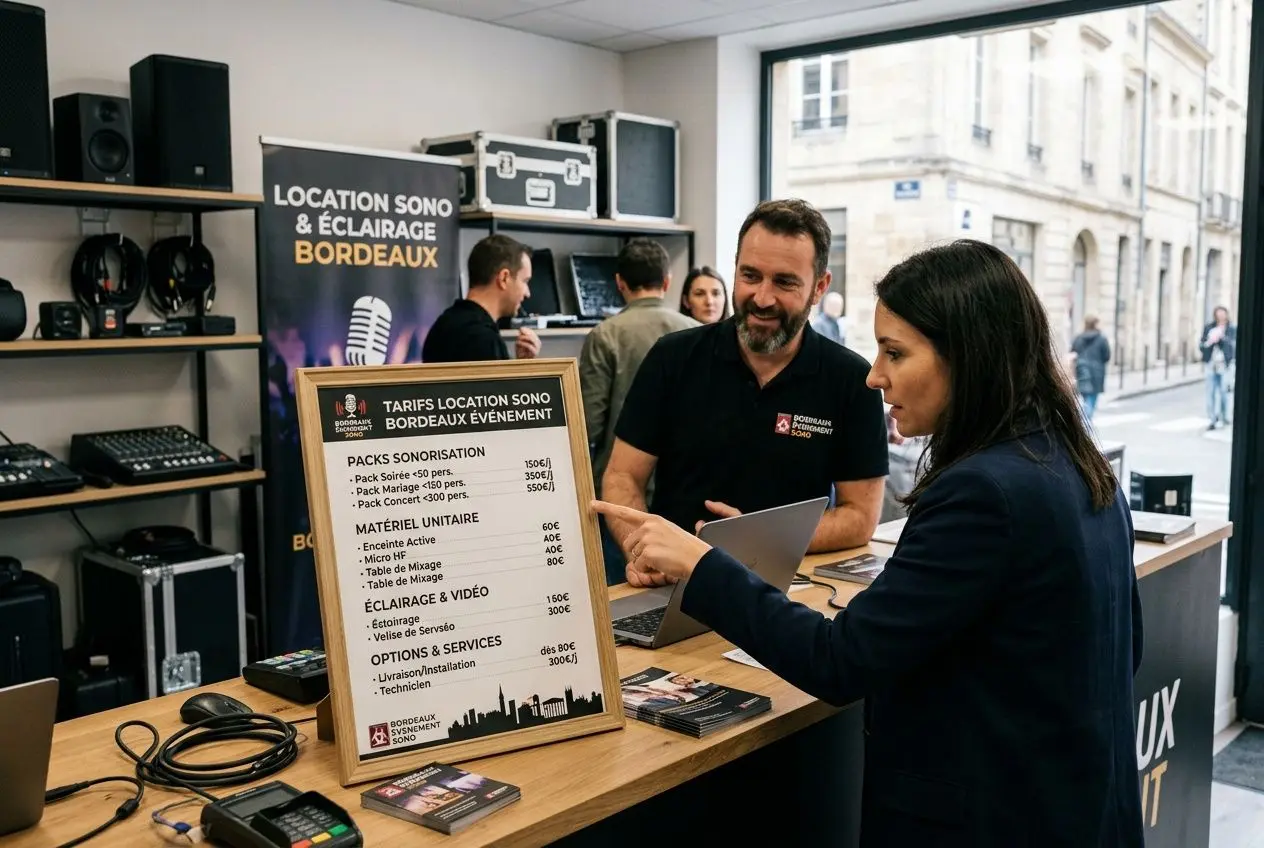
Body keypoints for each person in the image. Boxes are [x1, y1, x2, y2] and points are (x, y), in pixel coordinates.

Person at [594, 239, 1144, 847]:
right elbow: (1124, 647)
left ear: (969, 355)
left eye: (895, 353)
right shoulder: (1076, 462)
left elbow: (840, 662)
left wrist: (704, 565)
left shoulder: (984, 493)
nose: (875, 374)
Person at [602, 199, 888, 555]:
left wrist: (757, 539)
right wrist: (639, 548)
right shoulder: (672, 358)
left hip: (791, 584)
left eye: (784, 282)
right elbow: (622, 476)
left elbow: (860, 516)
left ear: (819, 286)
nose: (762, 298)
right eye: (750, 276)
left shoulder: (852, 380)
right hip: (673, 578)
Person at [578, 238, 698, 583]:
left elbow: (588, 424)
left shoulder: (605, 335)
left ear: (619, 283)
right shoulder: (696, 332)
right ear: (668, 281)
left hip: (622, 498)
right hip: (683, 488)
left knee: (627, 590)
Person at [421, 234, 541, 363]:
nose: (527, 293)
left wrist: (521, 365)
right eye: (525, 281)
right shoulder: (485, 341)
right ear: (504, 278)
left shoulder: (442, 326)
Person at [1199, 305, 1235, 430]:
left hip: (1224, 364)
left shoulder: (1231, 328)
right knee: (1211, 392)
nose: (1220, 316)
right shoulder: (1209, 327)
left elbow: (1232, 346)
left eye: (1222, 313)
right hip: (1211, 363)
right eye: (1218, 314)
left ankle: (1225, 416)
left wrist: (1222, 338)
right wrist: (1210, 341)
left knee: (1224, 391)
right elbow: (1202, 344)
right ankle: (1212, 419)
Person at [1070, 315, 1110, 420]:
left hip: (1081, 369)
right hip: (1097, 372)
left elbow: (1073, 352)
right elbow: (1106, 356)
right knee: (1092, 398)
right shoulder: (1101, 339)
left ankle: (1084, 420)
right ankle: (1085, 422)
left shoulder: (1078, 338)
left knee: (1085, 397)